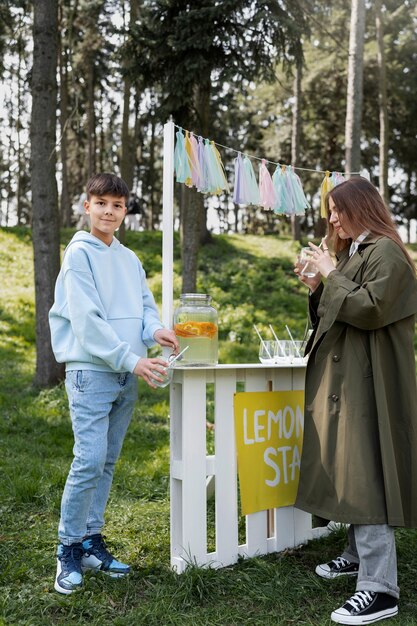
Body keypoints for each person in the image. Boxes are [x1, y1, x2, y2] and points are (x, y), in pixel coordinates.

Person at [294, 176, 417, 625]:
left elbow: (369, 310)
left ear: (361, 208)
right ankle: (355, 555)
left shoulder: (385, 252)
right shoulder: (357, 252)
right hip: (348, 379)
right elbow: (338, 309)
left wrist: (330, 273)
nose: (331, 218)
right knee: (350, 467)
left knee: (364, 473)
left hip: (371, 381)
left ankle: (381, 589)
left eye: (337, 209)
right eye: (329, 210)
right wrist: (317, 285)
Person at [49, 172, 178, 595]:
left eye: (117, 205)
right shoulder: (78, 255)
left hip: (127, 371)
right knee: (88, 460)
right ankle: (67, 547)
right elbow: (86, 321)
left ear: (125, 211)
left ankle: (90, 539)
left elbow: (143, 306)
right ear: (86, 206)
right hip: (92, 371)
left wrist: (155, 331)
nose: (109, 211)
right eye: (100, 202)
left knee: (106, 462)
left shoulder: (129, 259)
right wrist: (132, 358)